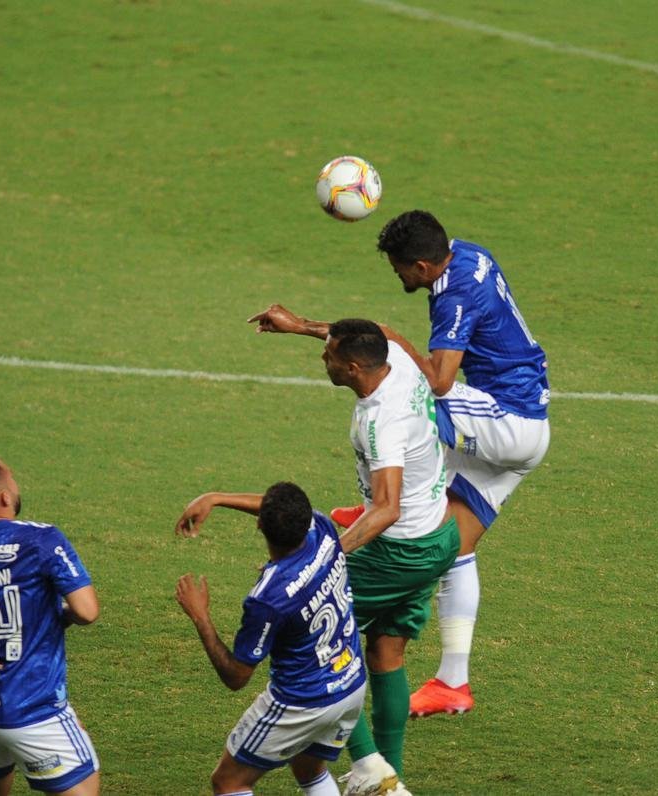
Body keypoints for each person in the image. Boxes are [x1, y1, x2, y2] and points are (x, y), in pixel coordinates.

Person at [253, 210, 550, 718]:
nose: (397, 276)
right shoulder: (467, 253)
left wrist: (305, 326)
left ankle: (379, 504)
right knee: (454, 546)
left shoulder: (454, 294)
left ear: (422, 264)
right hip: (514, 423)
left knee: (404, 395)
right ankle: (453, 683)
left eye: (399, 269)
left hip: (509, 419)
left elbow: (433, 378)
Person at [241, 317, 459, 794]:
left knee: (318, 632)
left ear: (355, 367)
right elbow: (376, 327)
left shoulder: (382, 420)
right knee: (386, 652)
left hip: (401, 548)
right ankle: (389, 780)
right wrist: (299, 325)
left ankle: (365, 763)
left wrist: (325, 560)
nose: (324, 359)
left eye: (330, 357)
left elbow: (386, 508)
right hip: (440, 533)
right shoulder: (395, 358)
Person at [174, 482, 368, 796]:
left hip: (302, 702)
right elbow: (277, 509)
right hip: (350, 684)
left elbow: (237, 676)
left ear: (260, 524)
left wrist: (200, 617)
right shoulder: (323, 527)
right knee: (309, 769)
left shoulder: (268, 599)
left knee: (229, 782)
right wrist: (216, 497)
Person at [0, 455, 101, 796]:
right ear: (5, 497)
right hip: (29, 709)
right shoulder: (41, 539)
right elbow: (87, 611)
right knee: (86, 782)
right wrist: (54, 613)